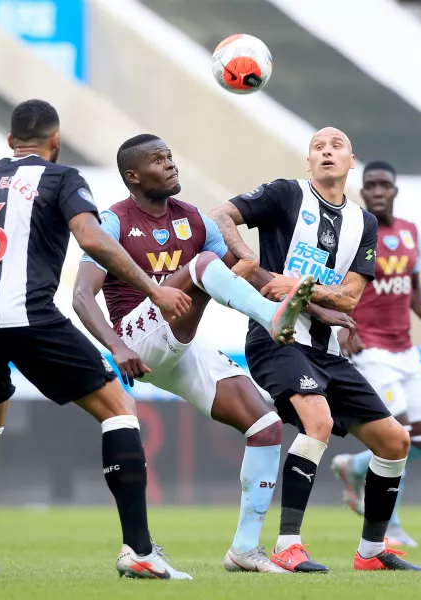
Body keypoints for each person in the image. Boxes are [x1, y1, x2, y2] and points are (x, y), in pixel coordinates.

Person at [0, 100, 193, 580]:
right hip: (29, 314)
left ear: (9, 141)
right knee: (118, 408)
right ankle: (139, 550)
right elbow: (93, 240)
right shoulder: (62, 179)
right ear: (55, 142)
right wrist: (155, 289)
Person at [72, 133, 320, 573]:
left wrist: (320, 309)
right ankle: (271, 318)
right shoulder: (112, 222)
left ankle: (244, 549)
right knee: (204, 266)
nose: (170, 164)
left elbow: (255, 274)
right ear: (133, 175)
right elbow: (81, 297)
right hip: (135, 338)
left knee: (264, 425)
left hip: (182, 345)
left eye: (170, 156)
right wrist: (116, 345)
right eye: (157, 160)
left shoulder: (194, 220)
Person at [210, 127, 421, 572]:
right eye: (317, 147)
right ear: (308, 162)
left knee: (395, 441)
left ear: (351, 161)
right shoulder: (285, 194)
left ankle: (371, 552)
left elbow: (350, 298)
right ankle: (288, 545)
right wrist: (253, 267)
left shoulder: (364, 223)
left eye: (337, 146)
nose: (327, 151)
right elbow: (219, 215)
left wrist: (304, 288)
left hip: (326, 350)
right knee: (318, 420)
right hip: (276, 339)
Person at [330, 160, 421, 548]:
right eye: (371, 185)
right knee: (396, 436)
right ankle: (391, 526)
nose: (378, 191)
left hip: (406, 348)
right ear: (362, 192)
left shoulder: (410, 232)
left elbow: (411, 283)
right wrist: (341, 326)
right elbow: (331, 285)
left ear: (395, 190)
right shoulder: (354, 231)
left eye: (385, 185)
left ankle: (354, 468)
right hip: (370, 348)